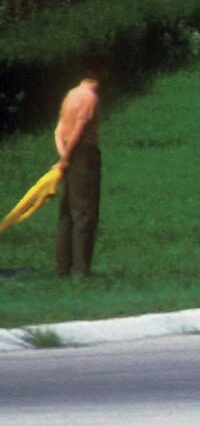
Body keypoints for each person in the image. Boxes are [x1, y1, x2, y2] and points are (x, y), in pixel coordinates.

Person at [54, 57, 105, 277]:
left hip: (67, 151)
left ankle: (62, 267)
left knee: (67, 212)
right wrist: (68, 157)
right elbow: (80, 126)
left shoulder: (71, 94)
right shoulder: (89, 97)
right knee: (84, 212)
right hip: (83, 154)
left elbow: (58, 128)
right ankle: (81, 269)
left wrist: (62, 154)